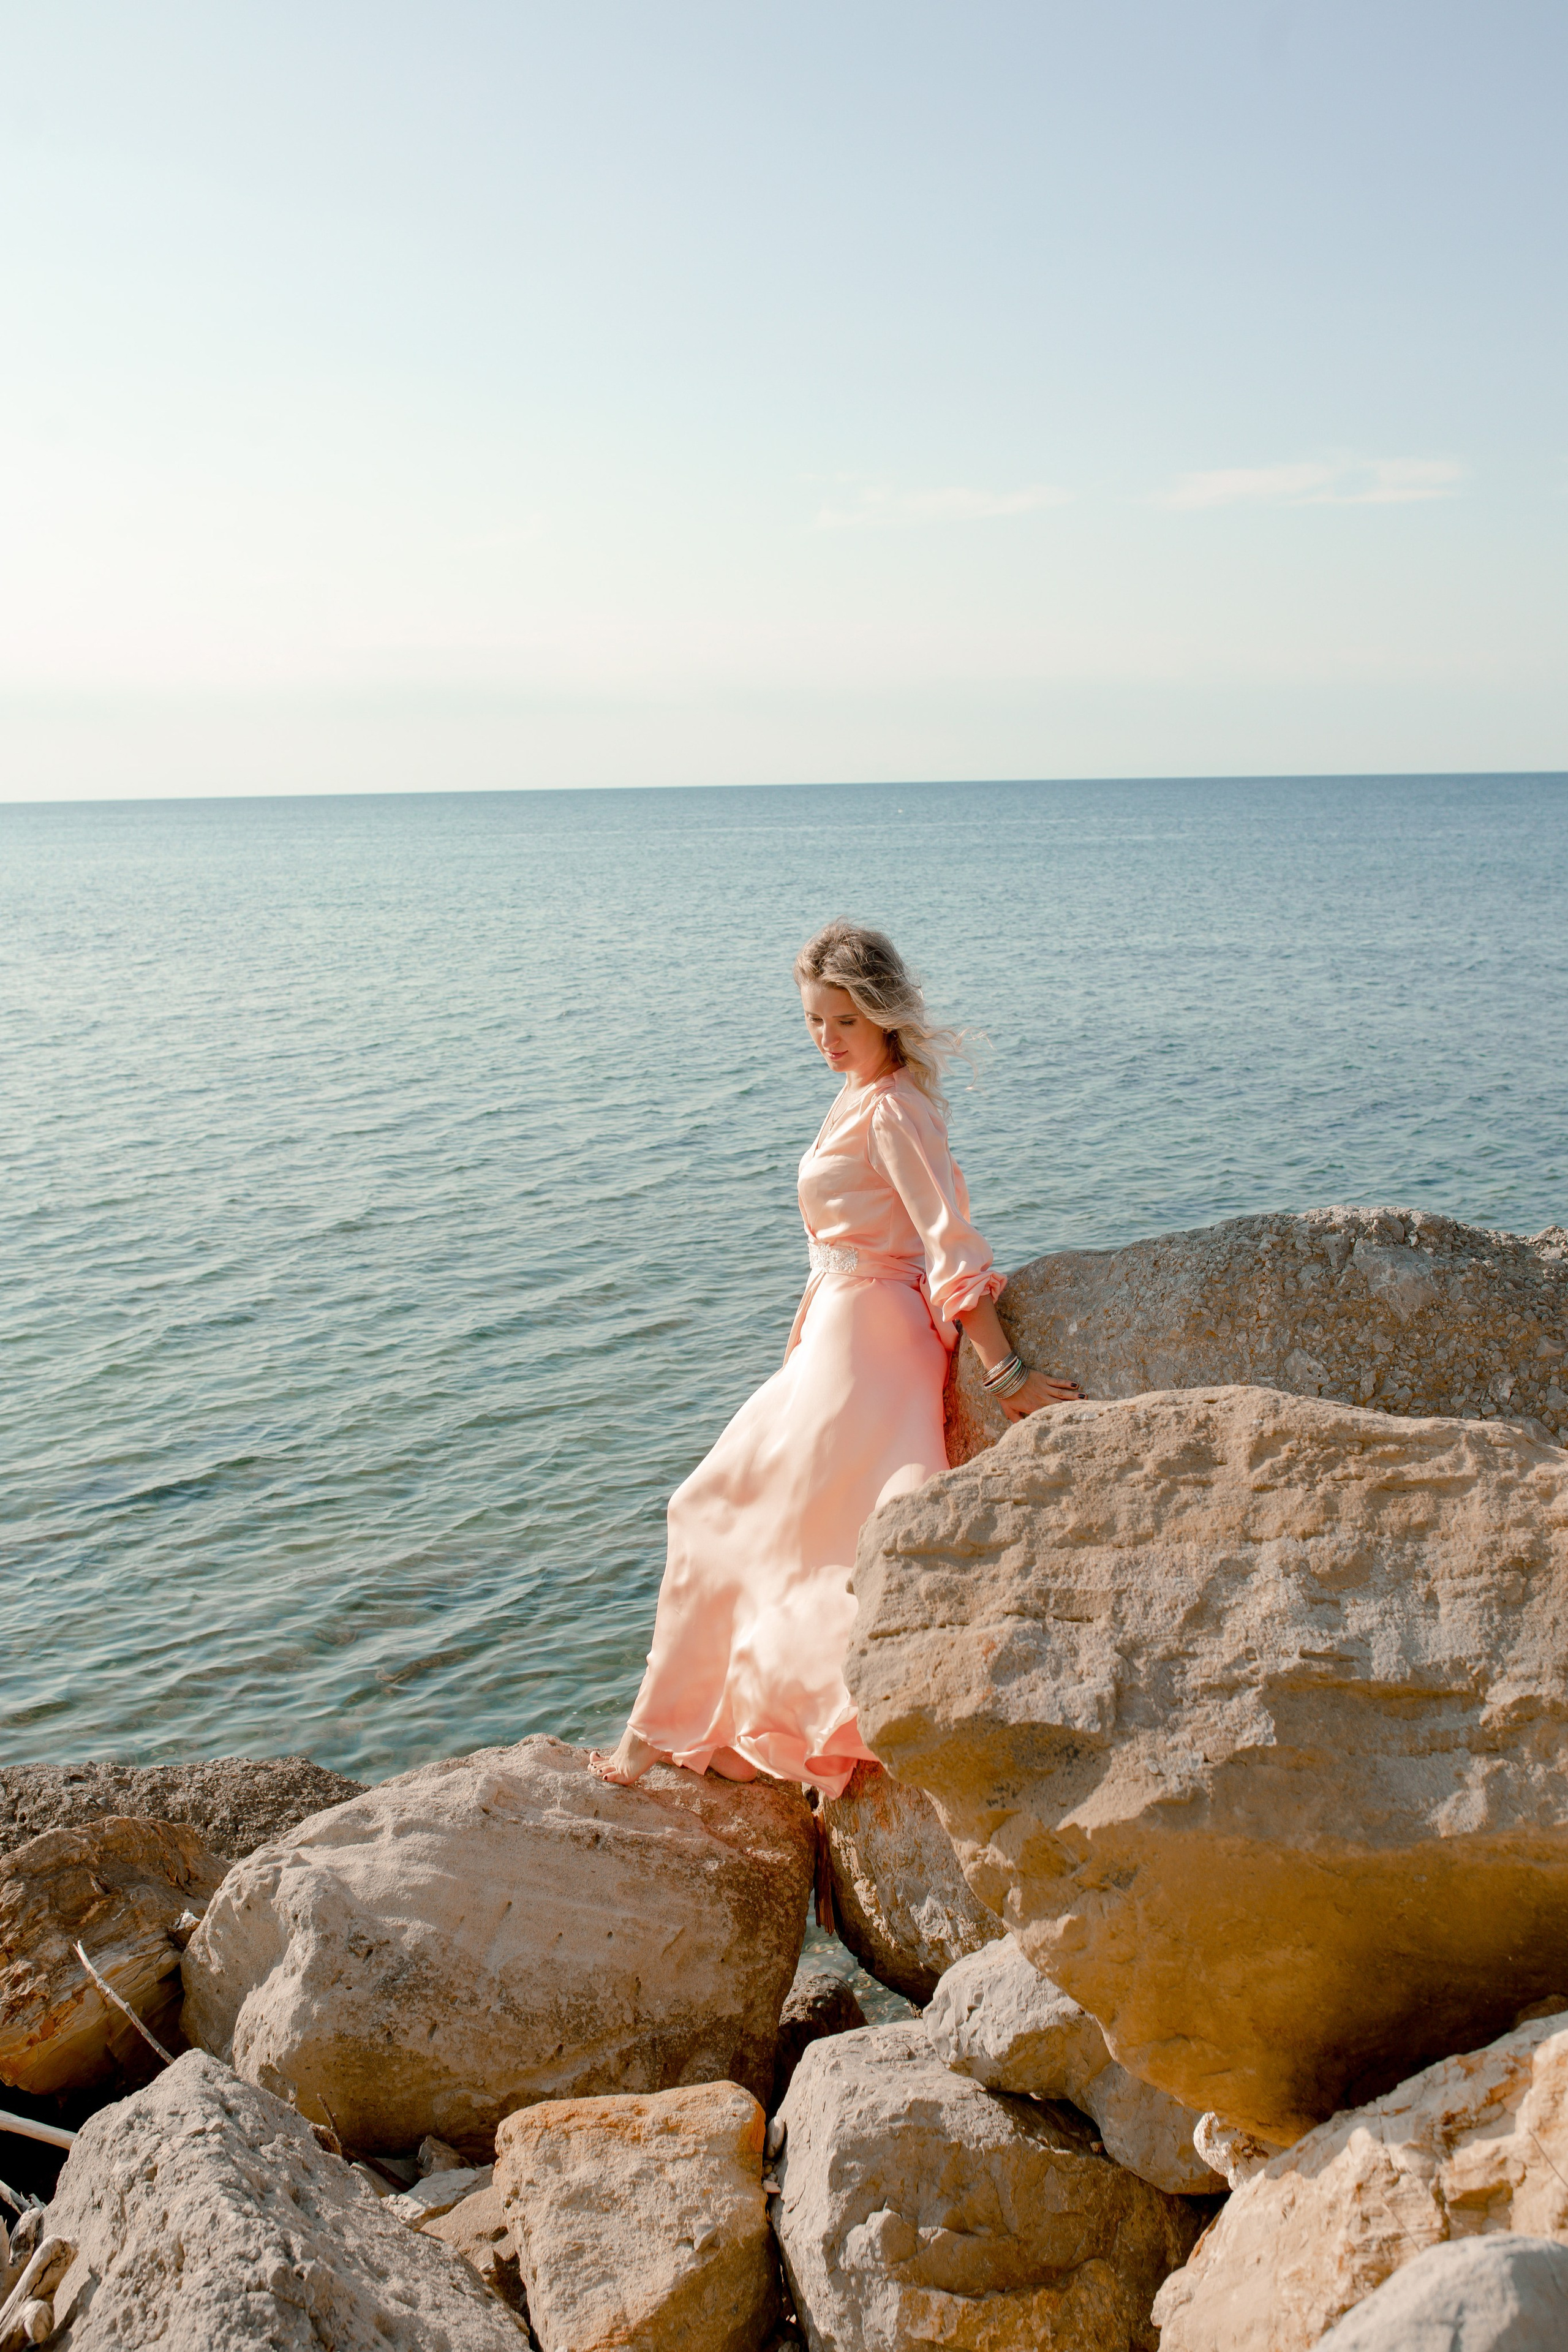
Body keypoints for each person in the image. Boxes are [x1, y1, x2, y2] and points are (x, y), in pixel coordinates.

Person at [590, 920, 1080, 1796]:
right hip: (835, 1334)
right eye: (814, 1022)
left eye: (843, 1022)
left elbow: (950, 1245)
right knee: (749, 1519)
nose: (826, 1040)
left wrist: (1005, 1376)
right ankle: (684, 1728)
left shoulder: (894, 1108)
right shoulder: (858, 1094)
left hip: (870, 1344)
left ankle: (665, 1737)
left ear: (883, 1015)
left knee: (734, 1512)